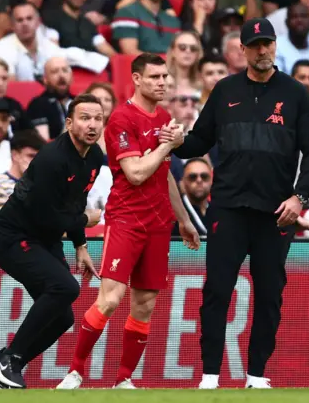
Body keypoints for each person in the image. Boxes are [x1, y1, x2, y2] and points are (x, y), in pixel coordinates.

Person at [165, 17, 309, 389]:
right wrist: (173, 140)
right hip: (229, 208)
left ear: (275, 45)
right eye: (255, 45)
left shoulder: (296, 94)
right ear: (242, 49)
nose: (262, 50)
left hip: (276, 212)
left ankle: (256, 375)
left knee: (269, 295)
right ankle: (209, 376)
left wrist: (300, 198)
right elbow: (198, 142)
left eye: (267, 43)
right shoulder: (224, 90)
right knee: (217, 290)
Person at [57, 53, 200, 390]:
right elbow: (135, 173)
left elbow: (163, 176)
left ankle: (123, 379)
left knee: (145, 304)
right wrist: (169, 147)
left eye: (165, 77)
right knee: (110, 298)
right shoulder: (121, 118)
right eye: (154, 77)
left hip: (158, 223)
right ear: (136, 79)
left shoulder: (164, 116)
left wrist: (183, 219)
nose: (162, 83)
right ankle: (75, 371)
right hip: (126, 219)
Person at [0, 93, 105, 389]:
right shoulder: (53, 158)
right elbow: (50, 218)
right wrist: (85, 222)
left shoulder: (94, 156)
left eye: (98, 119)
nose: (92, 125)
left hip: (44, 238)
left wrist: (81, 244)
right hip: (13, 236)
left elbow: (76, 201)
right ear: (69, 123)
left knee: (62, 316)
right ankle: (7, 359)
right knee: (65, 287)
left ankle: (5, 372)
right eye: (85, 118)